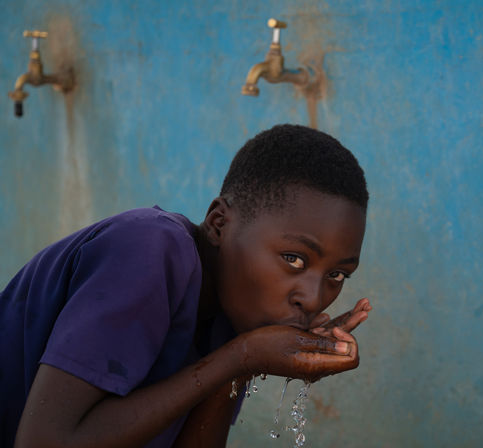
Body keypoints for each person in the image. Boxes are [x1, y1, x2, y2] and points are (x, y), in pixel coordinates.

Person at [0, 124, 373, 447]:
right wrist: (238, 358)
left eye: (337, 275)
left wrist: (243, 363)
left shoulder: (239, 317)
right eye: (294, 259)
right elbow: (43, 442)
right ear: (218, 223)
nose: (312, 298)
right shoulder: (148, 248)